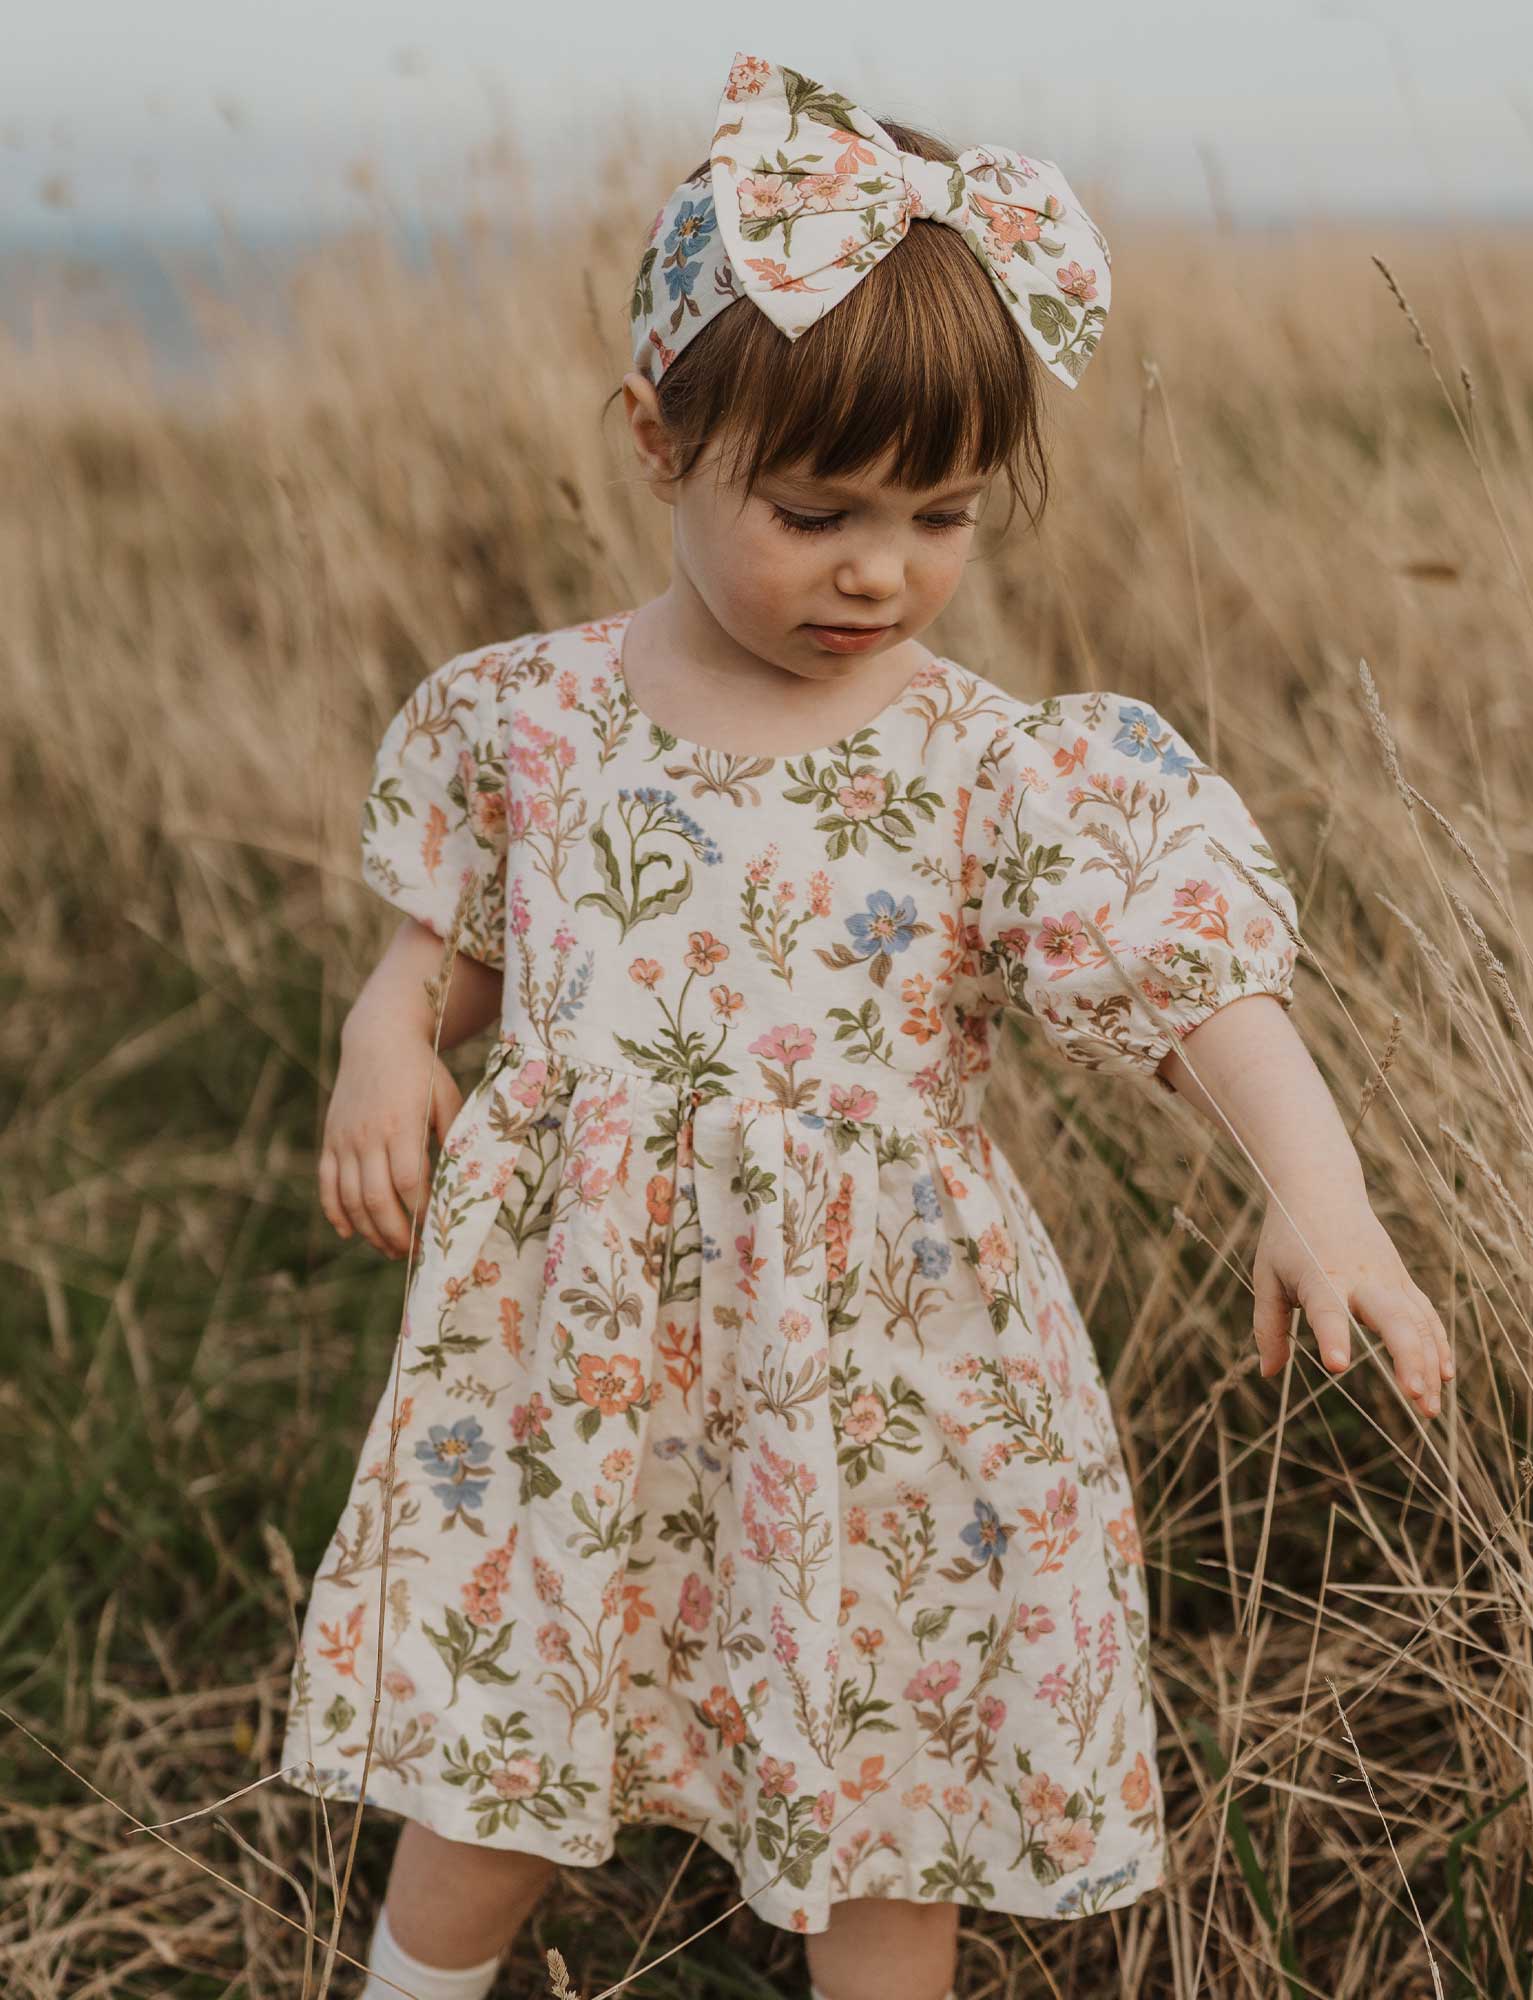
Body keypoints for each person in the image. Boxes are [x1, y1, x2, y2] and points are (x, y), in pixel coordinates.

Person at [277, 48, 1454, 2000]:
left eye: (938, 512)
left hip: (877, 1374)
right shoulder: (535, 718)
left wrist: (1315, 1198)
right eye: (814, 507)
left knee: (881, 1788)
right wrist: (387, 1037)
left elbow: (1195, 986)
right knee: (499, 1737)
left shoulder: (994, 767)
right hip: (577, 1364)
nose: (878, 567)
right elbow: (450, 944)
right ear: (659, 443)